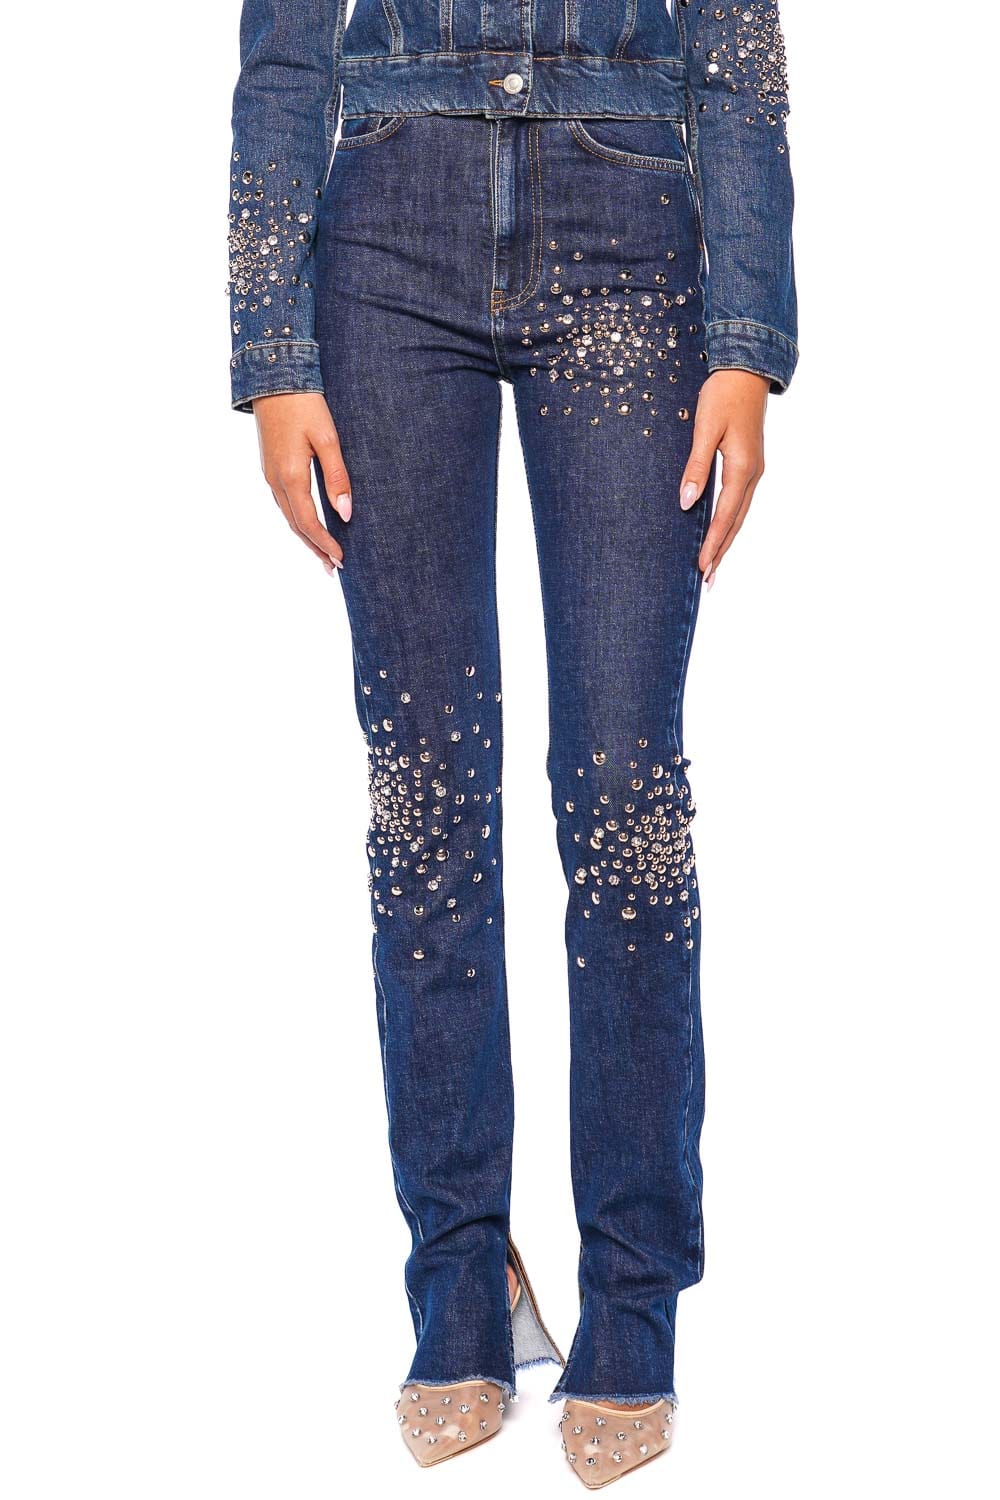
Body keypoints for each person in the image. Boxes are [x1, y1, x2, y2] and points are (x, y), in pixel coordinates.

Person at [227, 0, 796, 1484]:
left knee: (623, 791)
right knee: (426, 799)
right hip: (385, 232)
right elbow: (282, 51)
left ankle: (633, 1293)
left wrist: (749, 340)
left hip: (630, 217)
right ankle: (459, 1276)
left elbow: (737, 50)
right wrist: (270, 347)